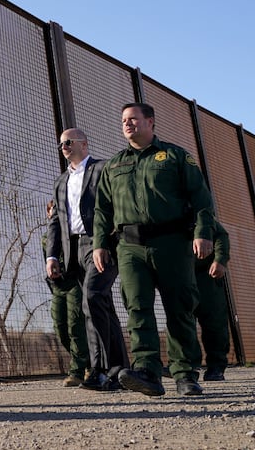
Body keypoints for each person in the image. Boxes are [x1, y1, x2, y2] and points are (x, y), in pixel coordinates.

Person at [93, 102, 214, 397]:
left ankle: (185, 373)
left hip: (171, 243)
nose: (127, 124)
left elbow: (200, 199)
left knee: (179, 307)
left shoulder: (175, 156)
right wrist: (100, 243)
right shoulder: (114, 164)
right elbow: (102, 209)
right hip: (130, 247)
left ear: (150, 121)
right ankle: (147, 370)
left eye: (133, 119)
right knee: (137, 308)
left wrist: (203, 233)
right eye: (124, 120)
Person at [46, 128, 129, 392]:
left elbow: (116, 205)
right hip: (73, 251)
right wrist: (51, 255)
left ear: (84, 143)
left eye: (68, 142)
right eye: (60, 144)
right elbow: (56, 223)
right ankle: (120, 371)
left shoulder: (103, 168)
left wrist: (105, 241)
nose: (64, 147)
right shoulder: (60, 181)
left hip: (100, 243)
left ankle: (98, 370)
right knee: (102, 304)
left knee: (92, 297)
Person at [43, 200, 90, 387]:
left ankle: (77, 371)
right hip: (57, 287)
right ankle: (85, 362)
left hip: (75, 283)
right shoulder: (46, 239)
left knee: (75, 325)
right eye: (52, 209)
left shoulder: (74, 234)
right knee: (60, 327)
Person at [194, 220, 231, 381]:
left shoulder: (196, 210)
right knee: (180, 319)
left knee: (214, 320)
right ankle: (186, 366)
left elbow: (221, 235)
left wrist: (220, 260)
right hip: (179, 272)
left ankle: (216, 366)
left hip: (206, 273)